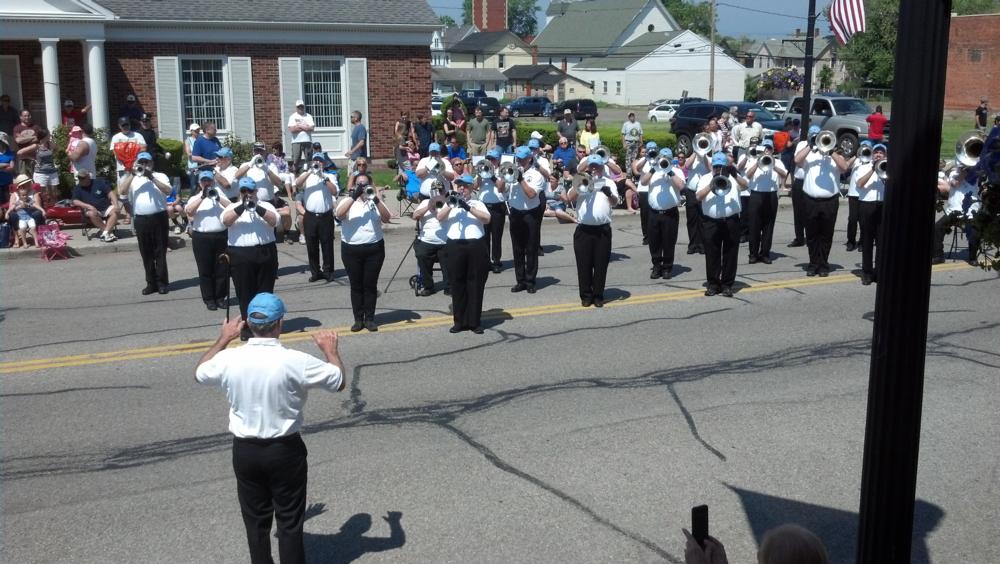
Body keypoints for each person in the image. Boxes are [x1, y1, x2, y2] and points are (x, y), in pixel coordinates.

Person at [194, 292, 346, 564]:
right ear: (280, 324)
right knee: (289, 524)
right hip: (284, 451)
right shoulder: (295, 361)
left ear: (249, 325)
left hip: (245, 452)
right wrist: (331, 352)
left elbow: (200, 371)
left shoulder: (230, 359)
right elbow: (338, 381)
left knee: (256, 524)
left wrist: (224, 338)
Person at [223, 177, 280, 341]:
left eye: (250, 191)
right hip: (241, 255)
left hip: (265, 252)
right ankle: (248, 328)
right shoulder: (233, 207)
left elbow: (275, 221)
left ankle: (265, 327)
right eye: (244, 191)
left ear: (256, 191)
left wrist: (258, 208)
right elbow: (226, 221)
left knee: (265, 292)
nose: (247, 194)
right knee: (245, 292)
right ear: (240, 192)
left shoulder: (266, 205)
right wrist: (242, 207)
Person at [335, 170, 392, 332]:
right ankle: (358, 319)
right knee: (356, 285)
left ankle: (370, 318)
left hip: (374, 249)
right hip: (351, 250)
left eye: (365, 184)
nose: (362, 187)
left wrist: (376, 198)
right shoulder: (347, 200)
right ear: (353, 186)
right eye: (359, 184)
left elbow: (387, 217)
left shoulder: (374, 201)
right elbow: (339, 215)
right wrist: (354, 197)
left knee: (370, 285)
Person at [437, 175, 491, 333]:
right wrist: (451, 203)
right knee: (457, 283)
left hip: (475, 245)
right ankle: (459, 321)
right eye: (459, 186)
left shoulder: (477, 203)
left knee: (475, 284)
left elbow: (487, 219)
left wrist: (467, 207)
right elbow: (440, 217)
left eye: (465, 186)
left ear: (472, 188)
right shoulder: (450, 203)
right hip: (455, 245)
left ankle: (474, 322)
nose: (462, 189)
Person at [795, 125, 850, 276]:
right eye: (821, 140)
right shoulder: (810, 156)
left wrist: (831, 151)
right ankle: (813, 264)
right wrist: (810, 145)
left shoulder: (835, 156)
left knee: (826, 235)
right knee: (811, 235)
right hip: (810, 200)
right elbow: (797, 159)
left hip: (829, 201)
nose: (823, 143)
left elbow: (845, 167)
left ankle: (824, 265)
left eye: (826, 140)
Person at [119, 151, 172, 295]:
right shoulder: (134, 178)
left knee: (160, 251)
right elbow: (121, 191)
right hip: (141, 219)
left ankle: (162, 282)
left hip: (159, 217)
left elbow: (168, 191)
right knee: (146, 253)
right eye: (141, 163)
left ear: (152, 163)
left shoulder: (160, 176)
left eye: (146, 162)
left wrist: (151, 177)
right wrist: (132, 174)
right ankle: (151, 283)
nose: (144, 165)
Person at [697, 152, 748, 297]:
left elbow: (745, 186)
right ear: (712, 166)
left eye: (721, 166)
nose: (718, 169)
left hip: (731, 221)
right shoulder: (706, 178)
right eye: (716, 166)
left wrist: (735, 174)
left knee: (730, 254)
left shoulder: (732, 177)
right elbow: (698, 196)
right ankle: (713, 284)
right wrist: (712, 183)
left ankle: (727, 285)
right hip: (711, 222)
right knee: (712, 254)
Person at [569, 155, 618, 307]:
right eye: (592, 166)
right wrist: (582, 184)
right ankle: (586, 295)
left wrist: (609, 193)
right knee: (583, 265)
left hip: (602, 230)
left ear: (603, 166)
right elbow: (569, 197)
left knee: (601, 264)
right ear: (588, 167)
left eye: (598, 165)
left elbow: (615, 202)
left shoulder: (609, 181)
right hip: (584, 230)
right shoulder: (580, 179)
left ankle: (598, 295)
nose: (595, 168)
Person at [184, 170, 232, 309]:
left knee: (222, 269)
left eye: (209, 181)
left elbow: (231, 208)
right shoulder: (195, 197)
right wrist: (202, 197)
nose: (207, 183)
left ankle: (220, 297)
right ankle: (209, 299)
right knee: (205, 269)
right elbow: (189, 211)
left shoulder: (220, 195)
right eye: (204, 181)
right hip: (202, 237)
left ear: (213, 181)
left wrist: (218, 198)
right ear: (200, 183)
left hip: (221, 235)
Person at [641, 148, 687, 279]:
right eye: (662, 158)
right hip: (654, 213)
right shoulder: (653, 171)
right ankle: (656, 266)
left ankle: (667, 267)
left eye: (667, 158)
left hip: (670, 213)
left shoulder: (676, 171)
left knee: (669, 241)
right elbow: (643, 182)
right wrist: (653, 169)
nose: (664, 160)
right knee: (654, 242)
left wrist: (670, 171)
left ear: (671, 159)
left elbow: (681, 186)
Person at [740, 139, 788, 264]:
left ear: (773, 150)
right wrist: (758, 162)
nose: (767, 150)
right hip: (756, 195)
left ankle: (765, 253)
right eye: (765, 148)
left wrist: (773, 164)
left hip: (771, 195)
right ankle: (753, 254)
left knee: (768, 226)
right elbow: (748, 175)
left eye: (769, 148)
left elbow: (784, 174)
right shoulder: (755, 160)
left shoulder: (777, 161)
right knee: (754, 226)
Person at [295, 153, 339, 282]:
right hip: (310, 216)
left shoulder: (329, 176)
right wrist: (309, 171)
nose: (317, 163)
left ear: (324, 163)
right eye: (315, 161)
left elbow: (334, 191)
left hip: (325, 215)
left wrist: (323, 177)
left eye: (320, 161)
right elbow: (297, 184)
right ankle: (315, 272)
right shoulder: (307, 176)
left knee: (327, 245)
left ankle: (328, 271)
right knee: (311, 246)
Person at [239, 141, 293, 243]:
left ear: (265, 153)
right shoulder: (246, 164)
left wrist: (266, 169)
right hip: (251, 200)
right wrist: (250, 164)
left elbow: (279, 184)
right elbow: (236, 176)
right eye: (256, 151)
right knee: (253, 229)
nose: (259, 153)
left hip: (268, 201)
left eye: (261, 151)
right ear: (253, 152)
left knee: (269, 232)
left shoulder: (271, 166)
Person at [508, 146, 543, 293]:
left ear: (529, 159)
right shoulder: (512, 172)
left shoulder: (536, 175)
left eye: (522, 158)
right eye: (518, 158)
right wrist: (505, 177)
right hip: (515, 213)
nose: (519, 161)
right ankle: (520, 280)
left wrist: (520, 178)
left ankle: (530, 281)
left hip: (530, 214)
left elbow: (531, 195)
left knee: (531, 248)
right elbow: (499, 188)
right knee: (517, 248)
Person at [932, 165, 981, 265]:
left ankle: (972, 257)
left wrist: (973, 169)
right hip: (953, 211)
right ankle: (938, 256)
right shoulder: (953, 174)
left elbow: (983, 174)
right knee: (937, 228)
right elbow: (955, 183)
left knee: (975, 231)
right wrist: (963, 173)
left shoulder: (976, 175)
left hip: (970, 212)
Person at [412, 176, 451, 296]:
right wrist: (429, 206)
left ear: (444, 192)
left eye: (440, 190)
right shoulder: (425, 202)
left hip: (445, 241)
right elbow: (415, 216)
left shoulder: (449, 203)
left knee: (450, 256)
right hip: (427, 241)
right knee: (421, 254)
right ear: (431, 192)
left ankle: (449, 286)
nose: (438, 193)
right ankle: (429, 286)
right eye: (435, 190)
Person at [854, 144, 886, 285]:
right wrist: (873, 170)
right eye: (876, 152)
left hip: (883, 205)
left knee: (881, 242)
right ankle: (866, 272)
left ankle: (879, 272)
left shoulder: (888, 167)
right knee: (867, 241)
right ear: (872, 154)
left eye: (881, 153)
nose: (878, 155)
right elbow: (860, 184)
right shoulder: (863, 167)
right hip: (867, 205)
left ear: (885, 155)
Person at [475, 148, 507, 273]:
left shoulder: (503, 172)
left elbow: (501, 188)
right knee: (484, 236)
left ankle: (496, 261)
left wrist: (491, 175)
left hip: (498, 207)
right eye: (488, 159)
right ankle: (486, 260)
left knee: (496, 236)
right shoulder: (482, 171)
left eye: (493, 159)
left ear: (498, 160)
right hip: (483, 207)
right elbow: (475, 187)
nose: (490, 161)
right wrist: (479, 175)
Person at [72, 170, 121, 243]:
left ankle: (105, 233)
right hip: (92, 209)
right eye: (80, 178)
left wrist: (116, 205)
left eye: (83, 178)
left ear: (88, 177)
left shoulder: (98, 182)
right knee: (92, 213)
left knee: (116, 210)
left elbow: (111, 193)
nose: (81, 180)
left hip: (105, 207)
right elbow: (74, 201)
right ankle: (108, 232)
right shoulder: (78, 188)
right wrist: (88, 206)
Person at [844, 140, 871, 252]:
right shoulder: (857, 160)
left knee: (864, 220)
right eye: (862, 147)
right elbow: (846, 166)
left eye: (866, 148)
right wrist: (856, 155)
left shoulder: (872, 162)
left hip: (865, 194)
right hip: (853, 194)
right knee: (852, 219)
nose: (864, 149)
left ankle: (862, 242)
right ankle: (851, 241)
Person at [683, 146, 710, 255]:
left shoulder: (708, 158)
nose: (701, 147)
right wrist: (695, 152)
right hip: (691, 192)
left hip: (703, 192)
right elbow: (687, 166)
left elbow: (710, 169)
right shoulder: (691, 158)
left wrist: (704, 155)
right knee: (691, 219)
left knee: (703, 220)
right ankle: (693, 244)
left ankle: (703, 245)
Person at [632, 141, 659, 245]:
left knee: (655, 213)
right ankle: (646, 236)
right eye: (649, 149)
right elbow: (637, 169)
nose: (652, 151)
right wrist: (646, 158)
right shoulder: (644, 159)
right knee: (645, 214)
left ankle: (655, 235)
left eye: (653, 149)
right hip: (644, 190)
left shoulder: (659, 158)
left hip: (655, 189)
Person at [786, 120, 806, 247]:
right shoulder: (803, 144)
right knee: (798, 211)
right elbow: (798, 160)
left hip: (811, 183)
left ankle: (810, 237)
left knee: (810, 213)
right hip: (799, 181)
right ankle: (799, 237)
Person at [20, 128, 58, 194]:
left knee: (54, 193)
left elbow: (57, 149)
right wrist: (31, 157)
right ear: (44, 136)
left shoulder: (50, 144)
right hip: (41, 173)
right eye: (48, 134)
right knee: (41, 194)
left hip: (52, 171)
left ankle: (54, 203)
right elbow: (20, 152)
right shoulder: (36, 146)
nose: (50, 135)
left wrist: (53, 155)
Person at [9, 181, 41, 247]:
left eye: (26, 184)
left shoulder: (34, 192)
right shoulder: (14, 194)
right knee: (12, 215)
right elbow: (11, 207)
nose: (24, 185)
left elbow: (38, 205)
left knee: (38, 213)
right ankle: (17, 238)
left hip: (31, 213)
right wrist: (19, 207)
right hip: (19, 214)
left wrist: (28, 206)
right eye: (22, 184)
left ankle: (37, 238)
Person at [287, 100, 315, 172]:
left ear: (304, 106)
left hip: (307, 141)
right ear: (296, 107)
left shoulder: (308, 116)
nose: (300, 108)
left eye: (302, 106)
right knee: (295, 160)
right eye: (299, 107)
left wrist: (299, 126)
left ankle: (307, 175)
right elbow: (291, 129)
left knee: (308, 159)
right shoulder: (292, 117)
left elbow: (311, 128)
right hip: (296, 141)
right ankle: (294, 175)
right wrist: (305, 127)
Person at [183, 124, 201, 190]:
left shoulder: (201, 139)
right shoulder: (188, 140)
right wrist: (199, 155)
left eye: (198, 130)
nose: (197, 132)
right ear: (191, 131)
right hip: (193, 166)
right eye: (196, 130)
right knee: (193, 186)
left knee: (201, 185)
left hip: (202, 166)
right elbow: (189, 154)